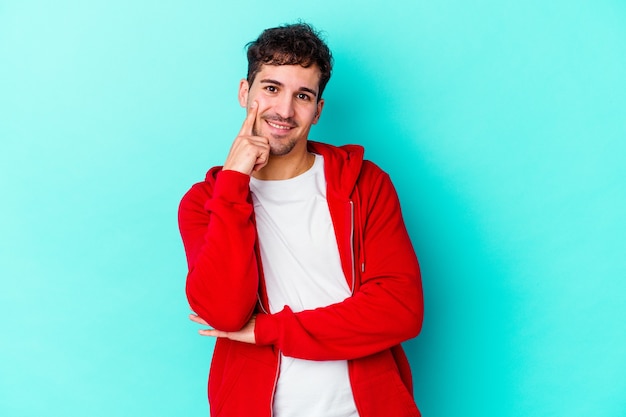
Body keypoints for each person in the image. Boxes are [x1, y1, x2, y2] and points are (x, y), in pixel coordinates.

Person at [178, 22, 423, 417]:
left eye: (303, 95)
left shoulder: (364, 184)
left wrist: (268, 330)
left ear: (318, 110)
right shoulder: (205, 201)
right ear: (245, 93)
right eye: (271, 88)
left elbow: (400, 309)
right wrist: (234, 182)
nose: (285, 110)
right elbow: (224, 312)